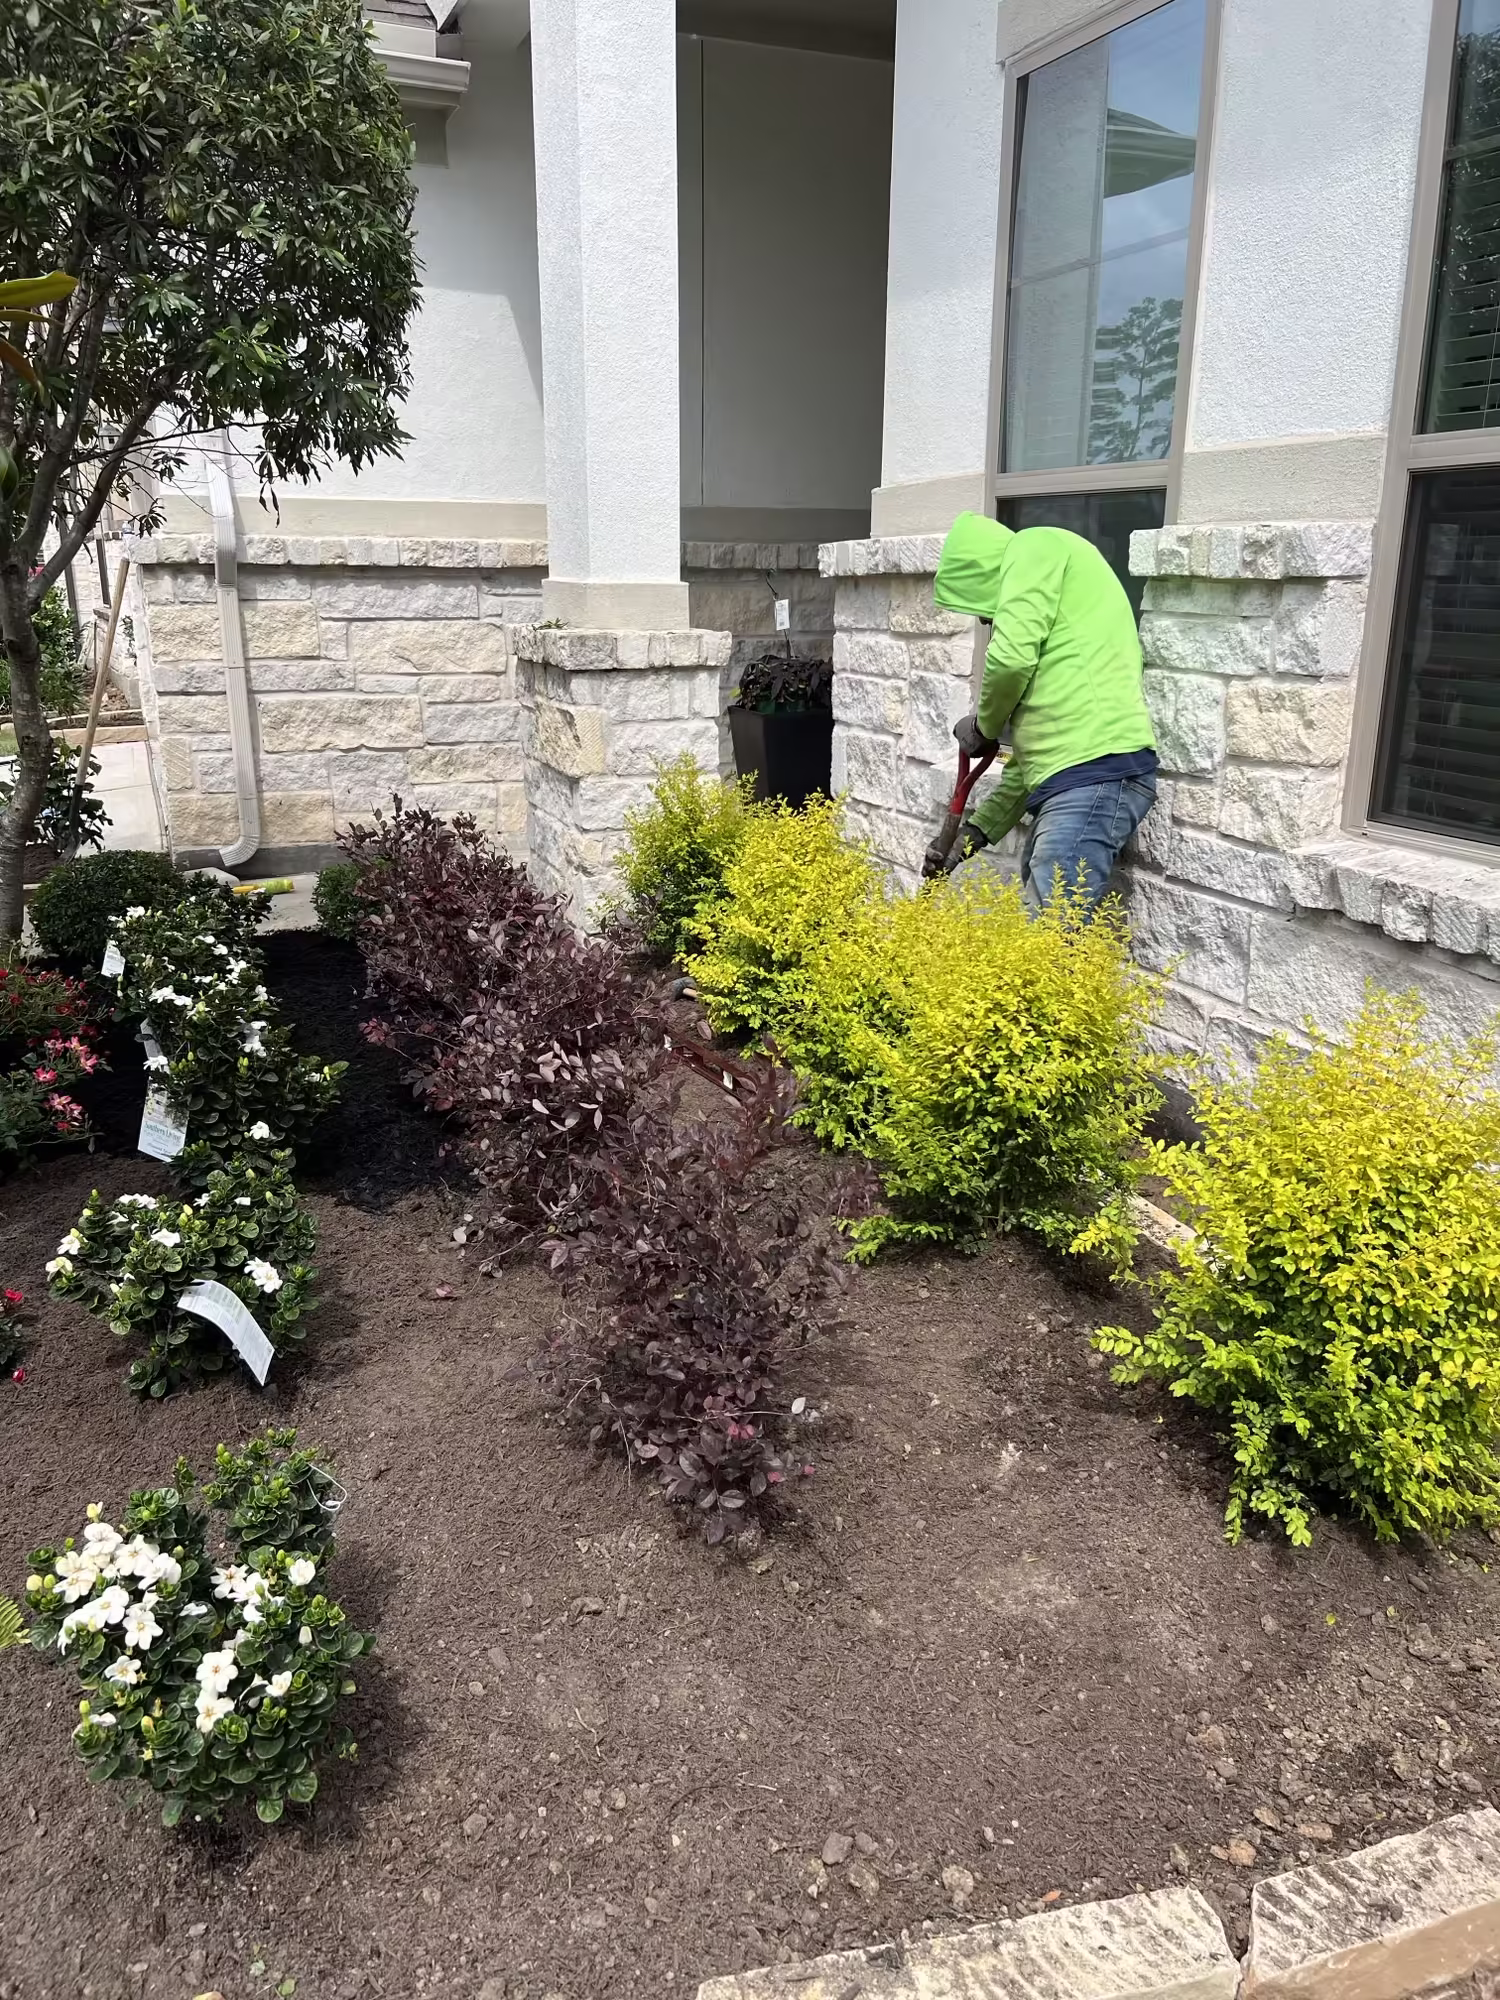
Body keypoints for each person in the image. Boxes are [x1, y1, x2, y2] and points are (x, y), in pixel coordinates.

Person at [929, 511, 1157, 913]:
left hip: (1096, 771)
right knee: (1042, 926)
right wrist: (974, 834)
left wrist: (985, 725)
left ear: (983, 573)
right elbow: (1028, 767)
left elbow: (1010, 660)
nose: (987, 620)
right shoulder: (1058, 686)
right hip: (1078, 776)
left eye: (986, 610)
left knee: (1052, 930)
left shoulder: (1036, 545)